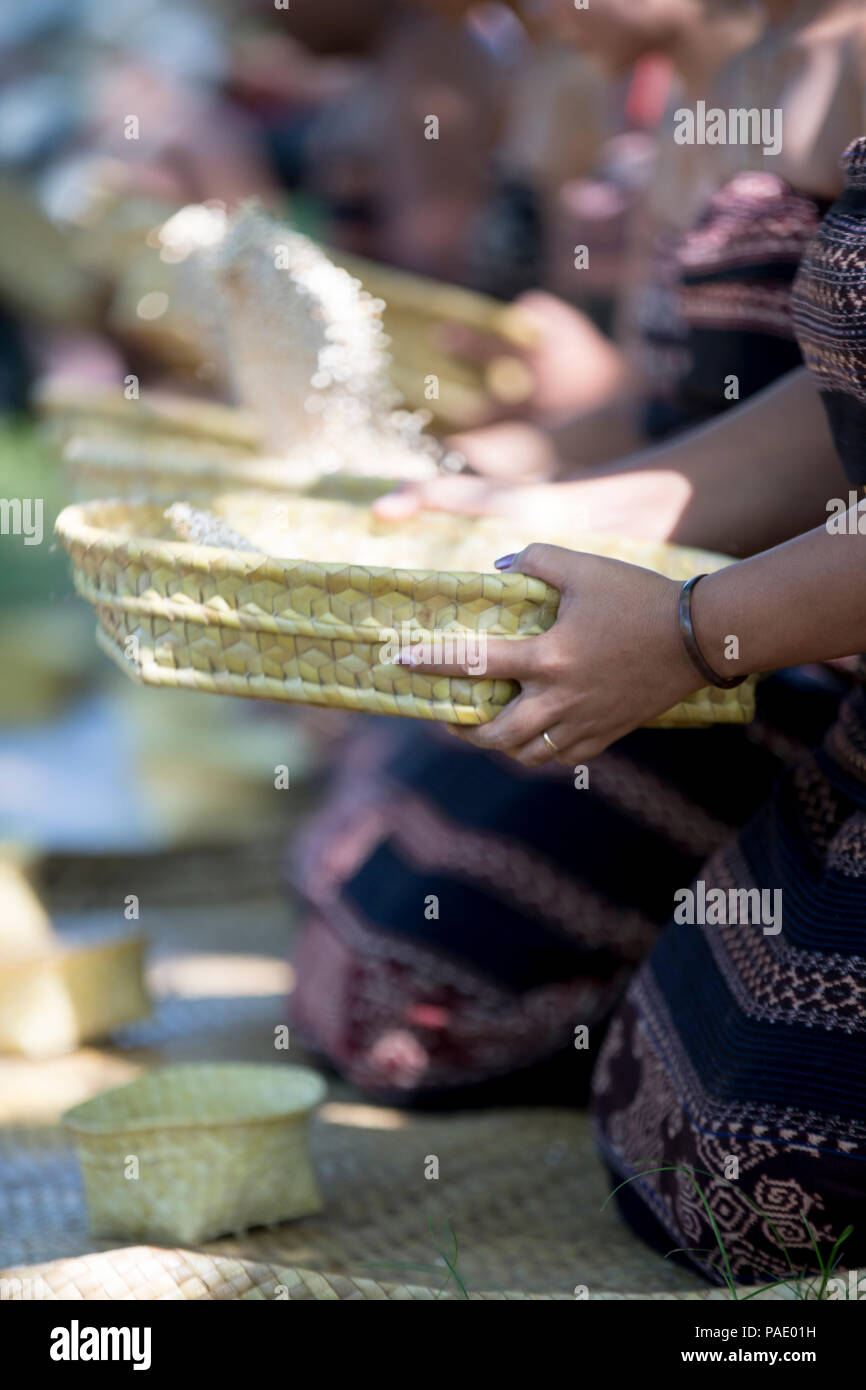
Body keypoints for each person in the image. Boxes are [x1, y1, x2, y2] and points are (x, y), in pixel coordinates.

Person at [286, 0, 865, 1109]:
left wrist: (696, 629)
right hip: (713, 598)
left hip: (786, 639)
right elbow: (728, 407)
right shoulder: (723, 78)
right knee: (357, 944)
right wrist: (515, 493)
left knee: (422, 1002)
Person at [393, 133, 866, 1285]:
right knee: (669, 1126)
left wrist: (693, 631)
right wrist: (555, 502)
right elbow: (827, 409)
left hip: (794, 648)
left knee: (769, 1178)